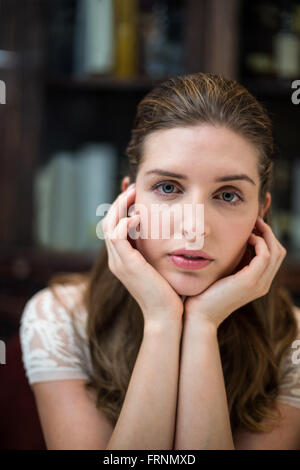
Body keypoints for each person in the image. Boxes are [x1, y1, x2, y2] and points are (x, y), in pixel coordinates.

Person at [19, 72, 300, 450]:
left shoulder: (293, 340)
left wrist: (202, 325)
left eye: (228, 195)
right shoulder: (59, 318)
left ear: (260, 214)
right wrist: (162, 321)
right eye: (168, 188)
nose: (194, 229)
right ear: (128, 201)